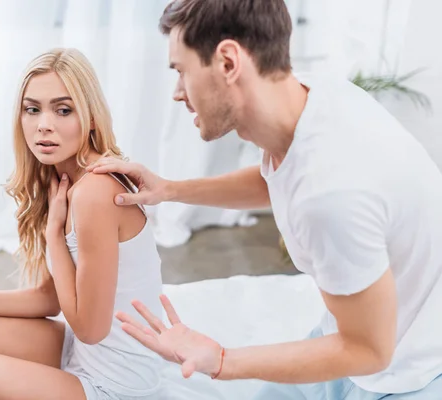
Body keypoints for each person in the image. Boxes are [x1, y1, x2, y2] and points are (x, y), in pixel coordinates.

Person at [87, 0, 442, 399]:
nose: (177, 93)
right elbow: (276, 177)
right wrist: (169, 190)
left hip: (410, 371)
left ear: (227, 62)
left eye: (182, 72)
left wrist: (221, 360)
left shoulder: (331, 192)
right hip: (361, 335)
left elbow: (368, 351)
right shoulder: (316, 96)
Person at [0, 48, 164, 400]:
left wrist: (54, 239)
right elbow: (51, 298)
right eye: (33, 109)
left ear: (91, 118)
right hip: (82, 353)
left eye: (63, 110)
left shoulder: (94, 192)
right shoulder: (64, 178)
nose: (44, 124)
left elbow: (91, 328)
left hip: (115, 385)